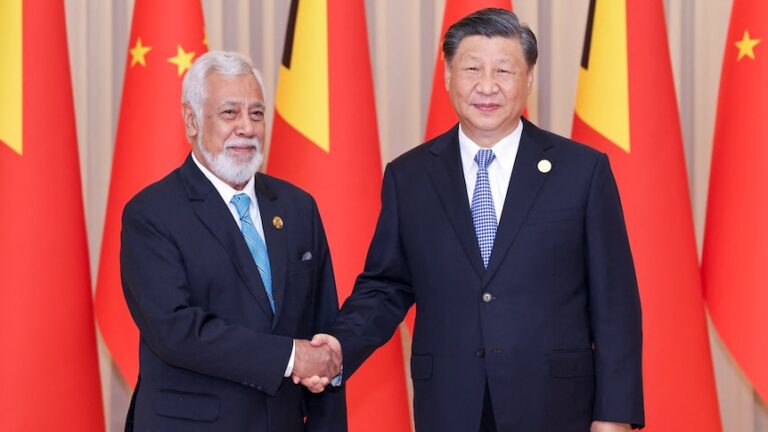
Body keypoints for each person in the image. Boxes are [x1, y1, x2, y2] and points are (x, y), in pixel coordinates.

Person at [307, 8, 644, 432]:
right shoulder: (409, 176)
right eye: (471, 69)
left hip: (556, 407)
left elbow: (615, 304)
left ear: (529, 78)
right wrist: (338, 347)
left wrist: (614, 416)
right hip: (450, 405)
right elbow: (385, 286)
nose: (487, 86)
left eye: (504, 70)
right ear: (448, 75)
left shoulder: (582, 171)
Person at [121, 50, 346, 431]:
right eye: (230, 113)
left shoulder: (297, 207)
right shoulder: (152, 213)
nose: (247, 127)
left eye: (256, 113)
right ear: (191, 120)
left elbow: (322, 330)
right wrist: (290, 357)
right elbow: (176, 331)